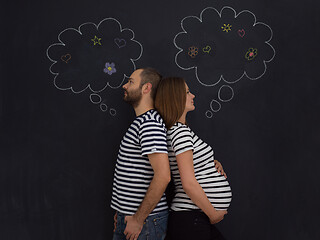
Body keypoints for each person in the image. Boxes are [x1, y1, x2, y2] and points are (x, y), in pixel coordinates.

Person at [155, 77, 232, 240]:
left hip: (193, 218)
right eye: (188, 92)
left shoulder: (179, 130)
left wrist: (212, 163)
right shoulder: (180, 132)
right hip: (192, 219)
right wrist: (213, 214)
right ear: (176, 97)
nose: (193, 95)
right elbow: (188, 183)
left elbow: (187, 164)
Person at [111, 68, 171, 240]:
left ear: (146, 88)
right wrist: (122, 210)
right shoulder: (143, 122)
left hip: (144, 222)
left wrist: (138, 218)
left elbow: (163, 176)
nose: (125, 85)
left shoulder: (149, 124)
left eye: (130, 81)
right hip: (132, 218)